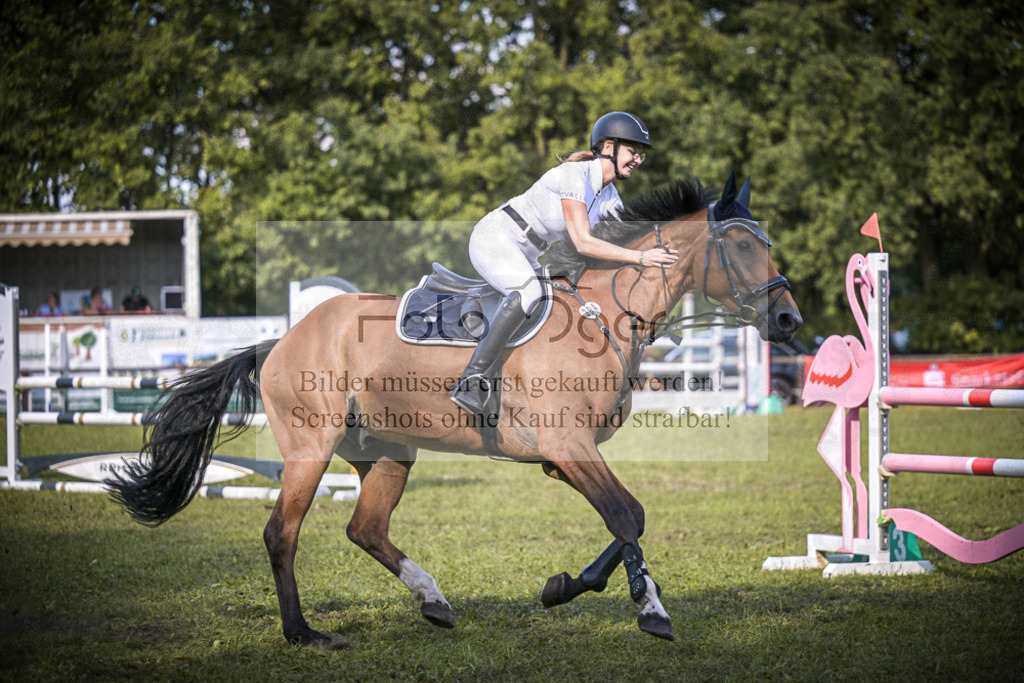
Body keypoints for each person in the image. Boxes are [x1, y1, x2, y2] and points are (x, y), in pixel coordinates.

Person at [450, 111, 679, 416]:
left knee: (560, 304)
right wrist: (640, 257)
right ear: (608, 147)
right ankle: (472, 379)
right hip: (496, 237)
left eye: (641, 155)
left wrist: (664, 254)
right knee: (530, 294)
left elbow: (626, 243)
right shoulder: (575, 176)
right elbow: (584, 242)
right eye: (633, 151)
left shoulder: (609, 196)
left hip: (528, 252)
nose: (638, 160)